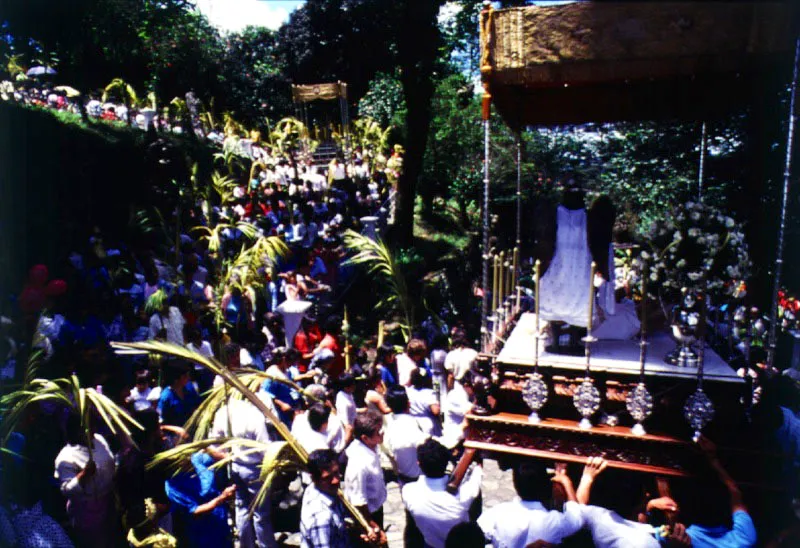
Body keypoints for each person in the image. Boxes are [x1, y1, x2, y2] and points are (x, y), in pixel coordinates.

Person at [209, 397, 276, 548]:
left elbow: (214, 444)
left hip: (236, 467)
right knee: (261, 514)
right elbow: (264, 449)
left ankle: (247, 545)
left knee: (242, 509)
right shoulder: (253, 414)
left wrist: (228, 455)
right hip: (254, 468)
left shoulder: (223, 412)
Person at [478, 460, 583, 547]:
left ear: (515, 484)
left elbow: (473, 534)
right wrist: (566, 481)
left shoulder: (497, 513)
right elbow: (577, 517)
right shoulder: (556, 521)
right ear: (545, 485)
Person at [402, 438, 483, 548]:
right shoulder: (464, 494)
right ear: (446, 463)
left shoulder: (408, 492)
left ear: (419, 464)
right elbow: (477, 475)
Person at [54, 413, 118, 548]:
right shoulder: (66, 457)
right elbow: (66, 490)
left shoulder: (99, 439)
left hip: (110, 501)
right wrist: (84, 474)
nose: (93, 430)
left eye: (93, 425)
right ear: (76, 430)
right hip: (87, 511)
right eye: (89, 427)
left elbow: (110, 460)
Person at [301, 449, 384, 548]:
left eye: (336, 473)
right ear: (314, 478)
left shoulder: (320, 489)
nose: (335, 481)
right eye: (327, 478)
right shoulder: (320, 518)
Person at [165, 451, 236, 548]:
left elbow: (219, 457)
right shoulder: (173, 486)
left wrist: (206, 447)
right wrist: (223, 497)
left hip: (220, 521)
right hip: (200, 531)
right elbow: (195, 511)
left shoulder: (196, 459)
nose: (190, 465)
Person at [343, 411, 387, 532]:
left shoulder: (372, 445)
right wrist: (371, 524)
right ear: (365, 438)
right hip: (369, 513)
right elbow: (358, 500)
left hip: (376, 506)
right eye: (378, 432)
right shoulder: (359, 464)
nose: (382, 433)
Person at [384, 386, 428, 485]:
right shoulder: (409, 424)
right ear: (408, 403)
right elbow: (427, 445)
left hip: (402, 476)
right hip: (417, 480)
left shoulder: (389, 422)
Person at [158, 362, 201, 427]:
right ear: (176, 379)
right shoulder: (166, 397)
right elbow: (161, 424)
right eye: (185, 376)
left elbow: (198, 405)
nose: (188, 378)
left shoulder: (189, 387)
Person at [442, 370, 476, 447]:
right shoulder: (456, 395)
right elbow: (471, 411)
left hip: (464, 438)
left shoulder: (466, 394)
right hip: (454, 441)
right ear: (466, 385)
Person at [407, 369, 442, 437]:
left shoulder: (408, 391)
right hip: (427, 424)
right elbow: (435, 411)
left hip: (413, 421)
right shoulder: (429, 393)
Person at [335, 372, 358, 443]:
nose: (355, 386)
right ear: (346, 387)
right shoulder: (344, 402)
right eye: (352, 385)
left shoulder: (348, 394)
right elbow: (346, 424)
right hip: (350, 431)